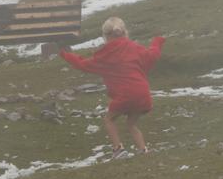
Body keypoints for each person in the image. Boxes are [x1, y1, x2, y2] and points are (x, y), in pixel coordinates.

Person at [60, 17, 165, 158]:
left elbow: (84, 64)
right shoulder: (135, 47)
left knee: (109, 119)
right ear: (124, 32)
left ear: (105, 35)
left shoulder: (105, 54)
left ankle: (118, 149)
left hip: (125, 95)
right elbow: (152, 55)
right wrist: (157, 41)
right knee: (131, 124)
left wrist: (66, 55)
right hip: (142, 93)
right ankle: (143, 150)